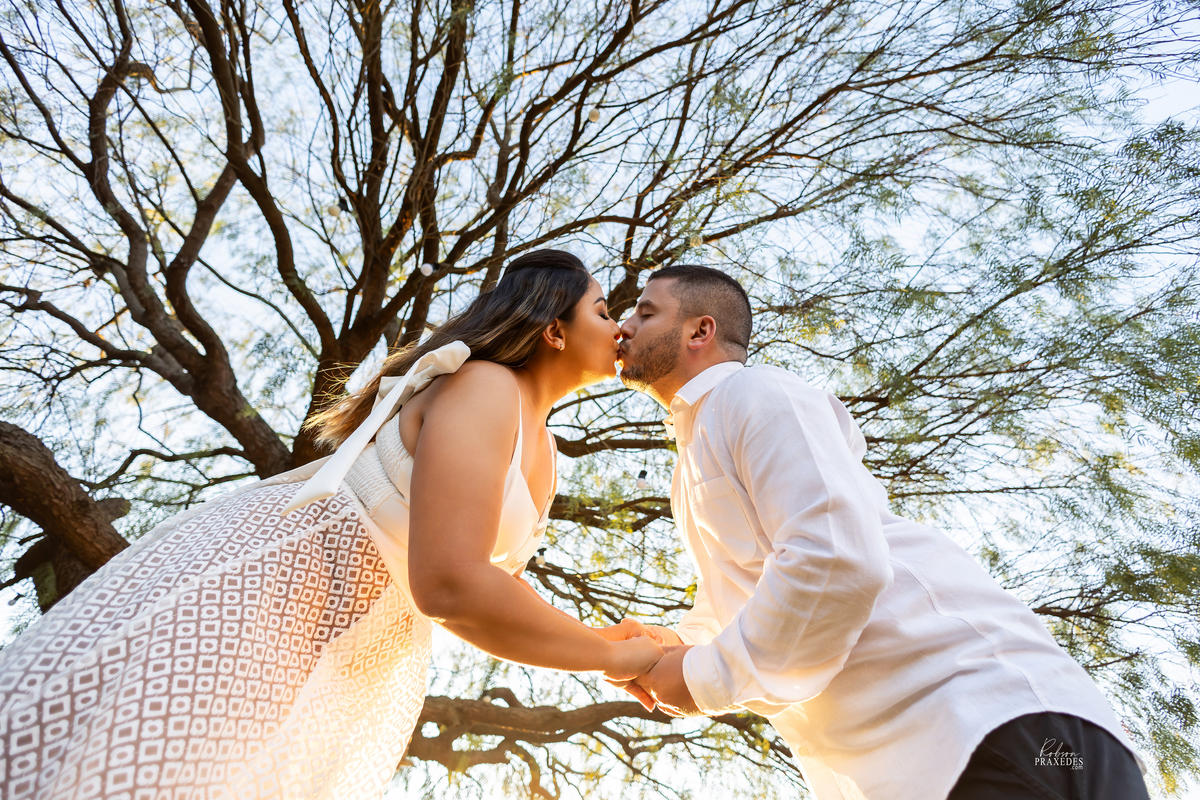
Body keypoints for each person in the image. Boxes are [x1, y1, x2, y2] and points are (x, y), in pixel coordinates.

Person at [0, 250, 663, 800]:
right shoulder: (486, 383)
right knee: (156, 765)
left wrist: (595, 637)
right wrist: (609, 655)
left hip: (361, 655)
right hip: (278, 598)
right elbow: (452, 583)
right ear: (553, 328)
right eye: (604, 312)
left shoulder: (544, 456)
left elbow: (490, 595)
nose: (620, 327)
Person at [610, 264, 1151, 800]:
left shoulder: (755, 393)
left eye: (647, 311)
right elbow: (745, 590)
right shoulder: (693, 460)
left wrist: (704, 678)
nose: (625, 325)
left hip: (989, 722)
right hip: (924, 757)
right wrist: (679, 645)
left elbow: (834, 558)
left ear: (700, 331)